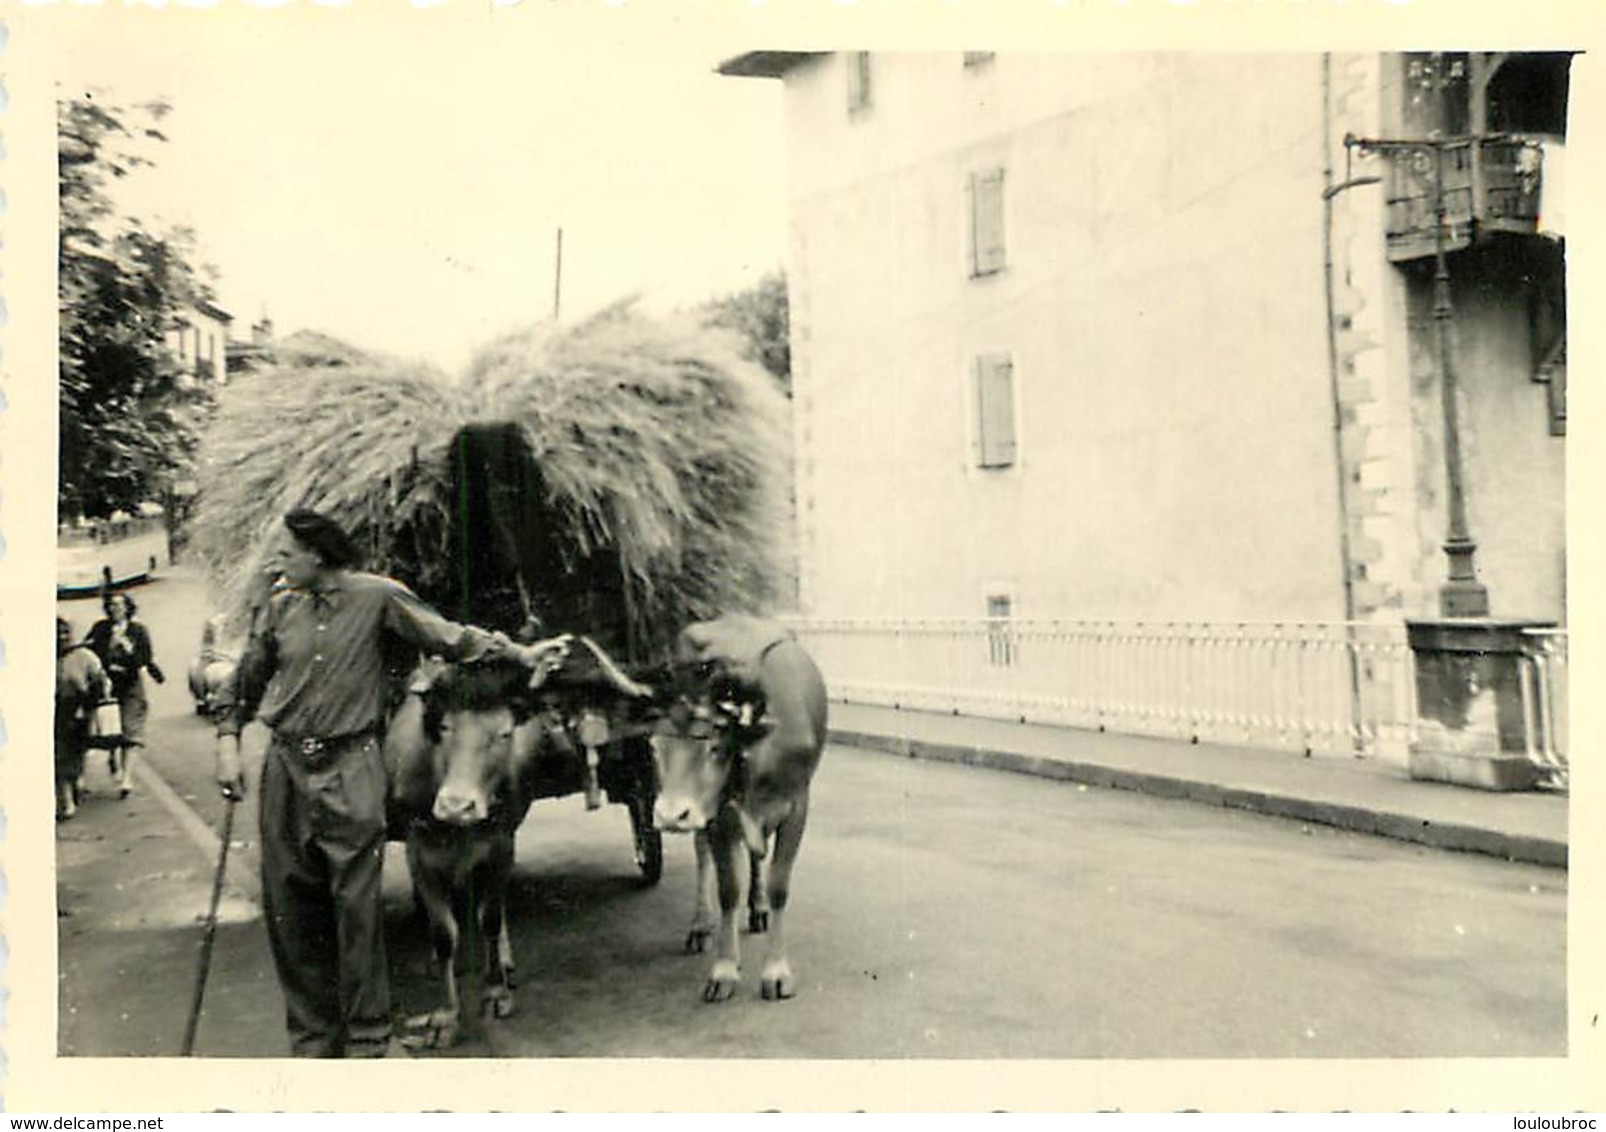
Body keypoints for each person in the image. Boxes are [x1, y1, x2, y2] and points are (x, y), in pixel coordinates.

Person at [213, 508, 569, 1058]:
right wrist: (228, 743)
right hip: (284, 767)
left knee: (356, 906)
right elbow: (246, 681)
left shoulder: (380, 597)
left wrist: (521, 653)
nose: (277, 561)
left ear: (318, 554)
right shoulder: (278, 608)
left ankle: (367, 1034)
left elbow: (453, 639)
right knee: (289, 906)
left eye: (286, 551)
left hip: (351, 764)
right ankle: (311, 1037)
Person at [86, 591, 165, 798]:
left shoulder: (138, 631)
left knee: (131, 731)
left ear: (128, 608)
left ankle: (127, 779)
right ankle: (113, 758)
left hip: (130, 684)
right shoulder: (100, 629)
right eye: (112, 605)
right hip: (106, 684)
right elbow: (88, 652)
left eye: (120, 605)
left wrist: (129, 650)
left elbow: (144, 658)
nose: (115, 609)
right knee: (109, 729)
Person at [55, 617, 109, 821]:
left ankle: (77, 781)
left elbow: (101, 681)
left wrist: (91, 700)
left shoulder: (85, 656)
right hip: (57, 712)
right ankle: (67, 801)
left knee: (77, 751)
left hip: (80, 710)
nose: (62, 638)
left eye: (65, 633)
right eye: (57, 634)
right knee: (59, 755)